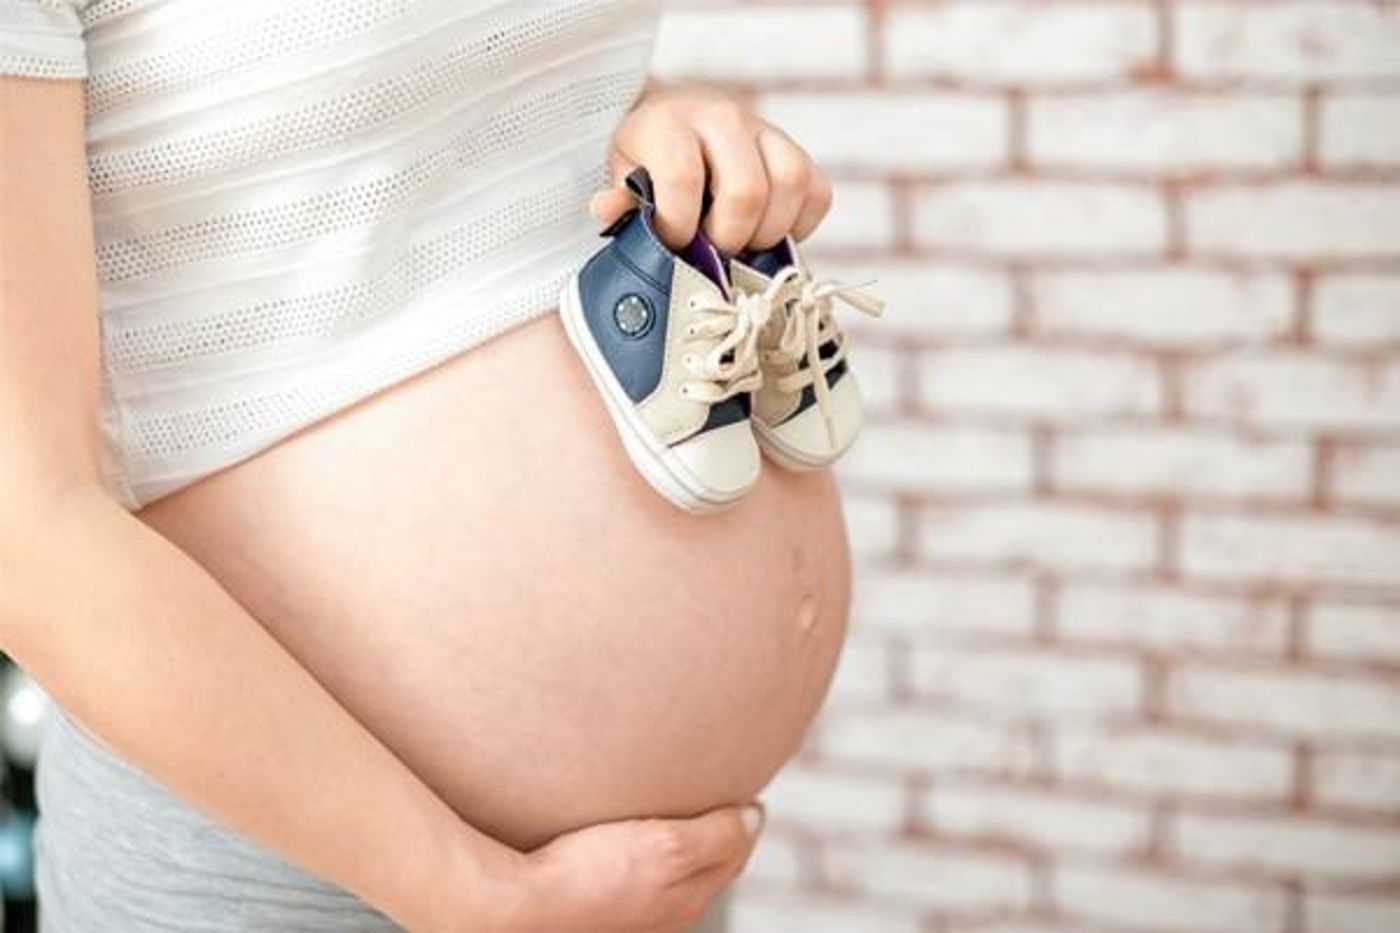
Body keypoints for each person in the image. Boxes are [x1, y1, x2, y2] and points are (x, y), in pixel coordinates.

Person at [1, 1, 861, 930]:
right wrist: (477, 895)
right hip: (312, 874)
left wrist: (658, 122)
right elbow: (23, 526)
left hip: (631, 873)